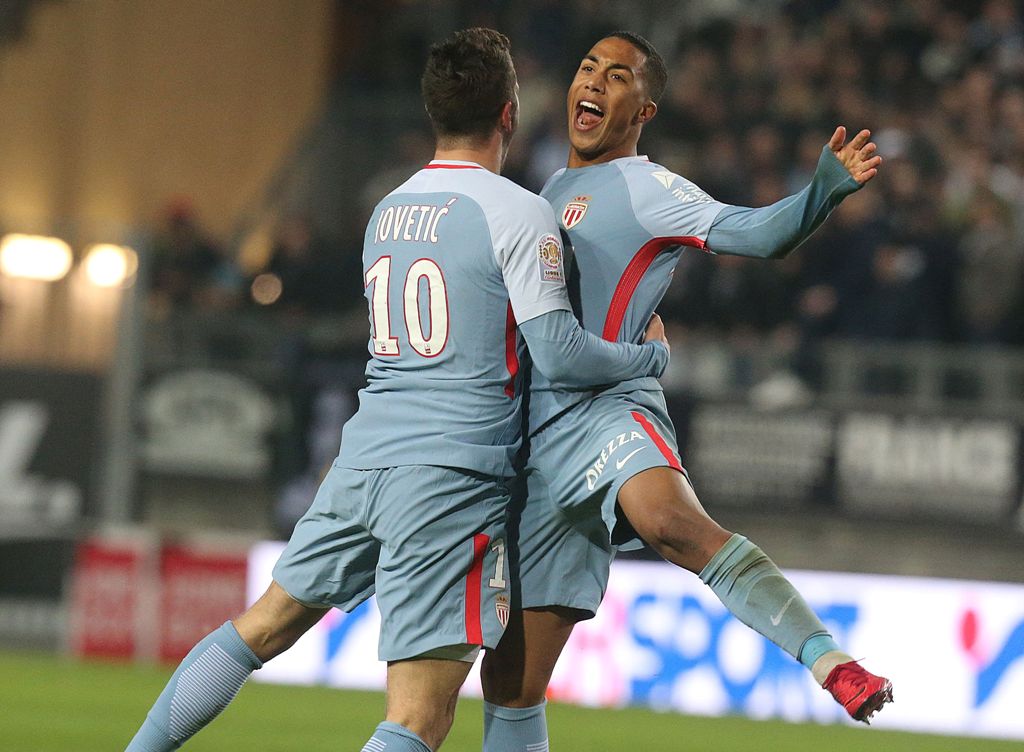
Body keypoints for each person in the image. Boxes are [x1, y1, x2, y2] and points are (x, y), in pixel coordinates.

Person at [124, 28, 671, 752]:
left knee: (260, 627)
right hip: (448, 478)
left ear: (433, 111)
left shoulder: (387, 209)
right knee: (419, 716)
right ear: (510, 114)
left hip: (363, 460)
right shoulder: (518, 213)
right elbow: (561, 355)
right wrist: (647, 360)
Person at [479, 31, 893, 752]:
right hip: (539, 446)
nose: (595, 85)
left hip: (608, 408)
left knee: (671, 523)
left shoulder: (650, 187)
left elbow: (756, 234)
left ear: (644, 109)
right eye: (587, 70)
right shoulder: (547, 190)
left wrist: (821, 190)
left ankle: (834, 662)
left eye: (617, 77)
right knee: (510, 687)